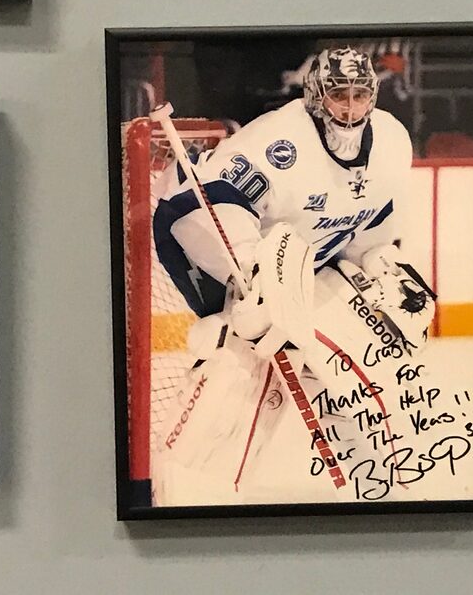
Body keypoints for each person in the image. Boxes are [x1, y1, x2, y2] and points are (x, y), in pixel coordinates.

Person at [151, 47, 437, 503]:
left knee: (350, 368)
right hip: (206, 242)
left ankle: (381, 488)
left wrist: (384, 265)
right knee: (239, 358)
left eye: (360, 94)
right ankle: (189, 496)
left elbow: (371, 223)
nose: (349, 107)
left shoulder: (392, 141)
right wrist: (253, 279)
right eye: (337, 94)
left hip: (305, 262)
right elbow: (200, 205)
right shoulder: (279, 142)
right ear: (314, 96)